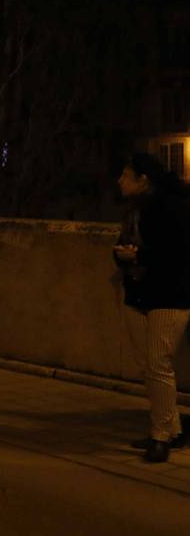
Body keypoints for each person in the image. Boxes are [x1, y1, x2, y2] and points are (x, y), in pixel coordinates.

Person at [113, 153, 190, 463]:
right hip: (139, 293)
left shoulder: (170, 208)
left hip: (169, 296)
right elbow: (124, 248)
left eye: (126, 175)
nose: (120, 180)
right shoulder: (133, 211)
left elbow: (178, 255)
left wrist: (139, 257)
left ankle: (161, 438)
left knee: (159, 365)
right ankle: (173, 429)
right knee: (148, 365)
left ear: (142, 180)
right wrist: (122, 256)